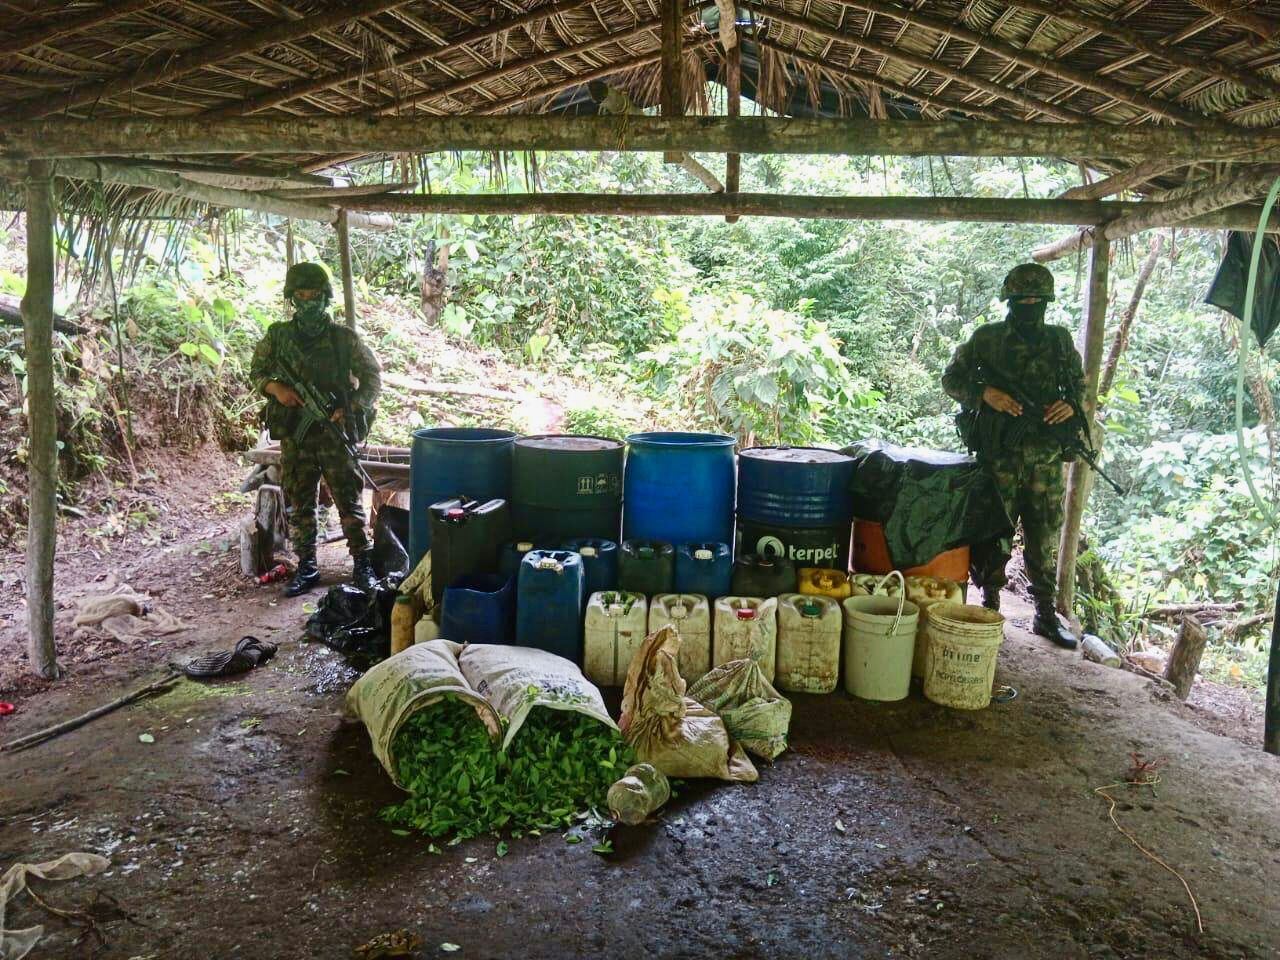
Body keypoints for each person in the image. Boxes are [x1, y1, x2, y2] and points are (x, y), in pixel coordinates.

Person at [942, 262, 1083, 649]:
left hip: (1046, 459)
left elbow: (1079, 388)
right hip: (999, 457)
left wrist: (1069, 405)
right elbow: (951, 378)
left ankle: (1044, 614)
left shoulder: (1059, 341)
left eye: (1038, 301)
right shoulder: (987, 339)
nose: (1030, 306)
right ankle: (987, 606)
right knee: (992, 533)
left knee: (1043, 535)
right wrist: (985, 394)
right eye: (1023, 300)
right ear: (1010, 300)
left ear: (1048, 303)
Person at [250, 262, 382, 596]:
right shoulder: (278, 337)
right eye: (301, 295)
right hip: (297, 435)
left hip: (334, 434)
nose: (308, 302)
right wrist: (276, 390)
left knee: (348, 499)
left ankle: (362, 565)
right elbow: (257, 373)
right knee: (299, 502)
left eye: (315, 295)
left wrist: (351, 405)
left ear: (325, 298)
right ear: (292, 298)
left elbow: (372, 377)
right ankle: (306, 566)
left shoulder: (342, 339)